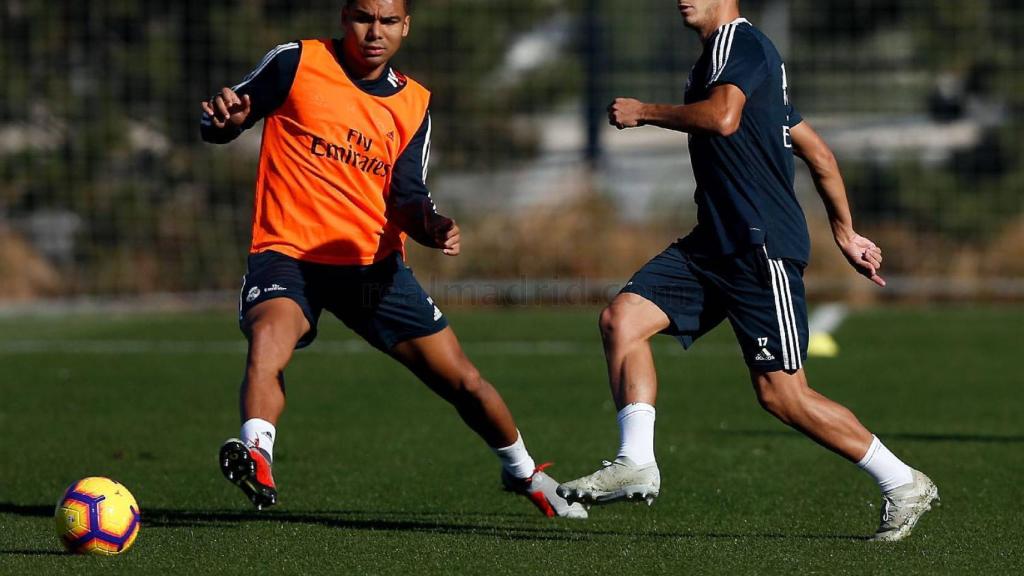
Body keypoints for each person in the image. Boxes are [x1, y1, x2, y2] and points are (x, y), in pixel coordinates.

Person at [557, 0, 937, 541]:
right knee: (622, 320)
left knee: (783, 394)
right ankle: (635, 461)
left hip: (759, 248)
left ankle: (902, 482)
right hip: (713, 244)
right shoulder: (724, 61)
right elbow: (819, 154)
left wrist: (645, 112)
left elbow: (722, 118)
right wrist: (845, 233)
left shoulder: (740, 43)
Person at [199, 0, 586, 519]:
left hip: (370, 268)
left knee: (464, 382)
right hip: (288, 253)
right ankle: (257, 455)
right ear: (344, 19)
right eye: (364, 18)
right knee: (269, 337)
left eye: (387, 22)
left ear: (405, 27)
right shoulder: (296, 60)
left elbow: (408, 196)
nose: (373, 32)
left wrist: (432, 226)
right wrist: (224, 122)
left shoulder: (413, 102)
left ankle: (524, 472)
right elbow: (228, 117)